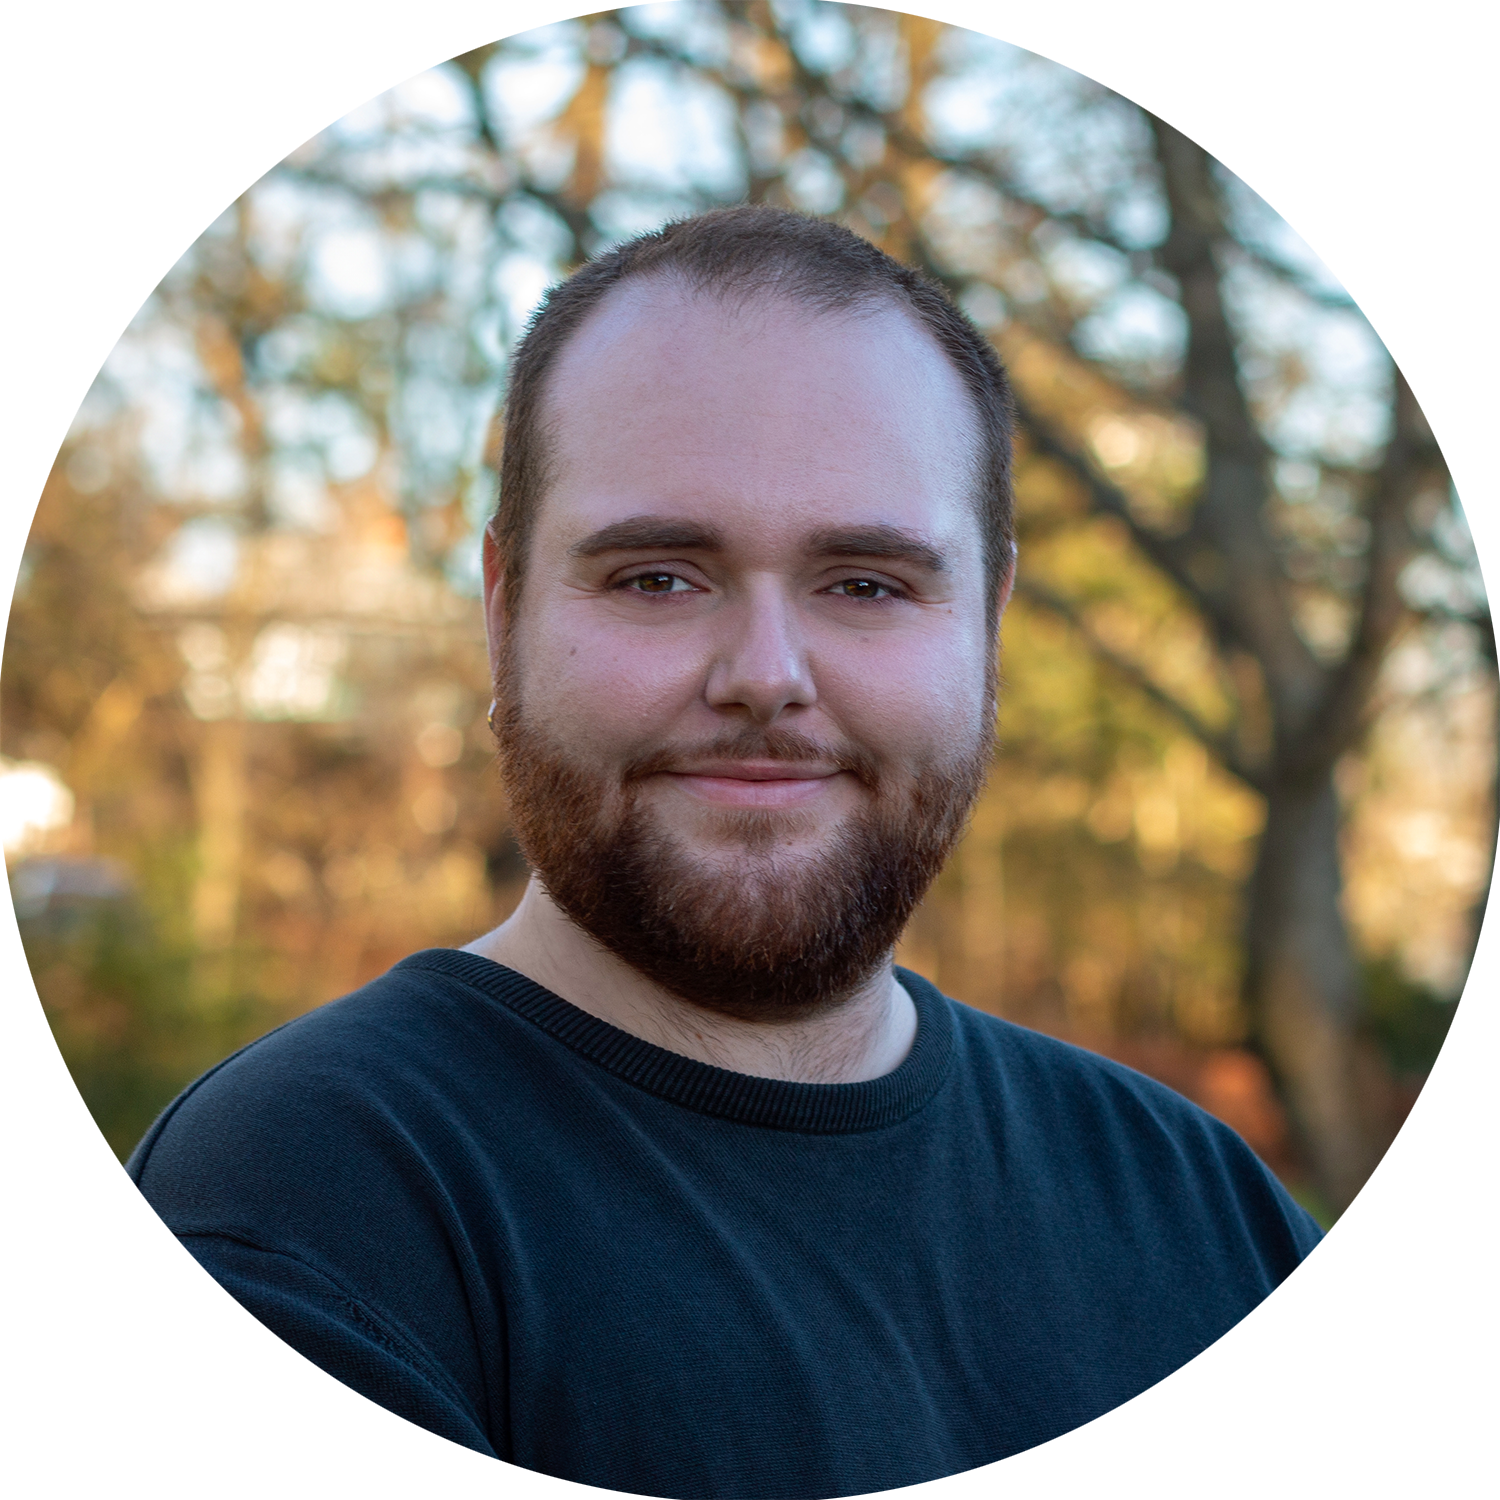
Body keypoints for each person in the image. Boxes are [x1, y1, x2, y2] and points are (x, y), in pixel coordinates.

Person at [129, 206, 1321, 1499]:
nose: (766, 678)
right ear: (502, 610)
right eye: (658, 577)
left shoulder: (1198, 1206)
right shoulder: (315, 1197)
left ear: (990, 625)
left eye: (866, 582)